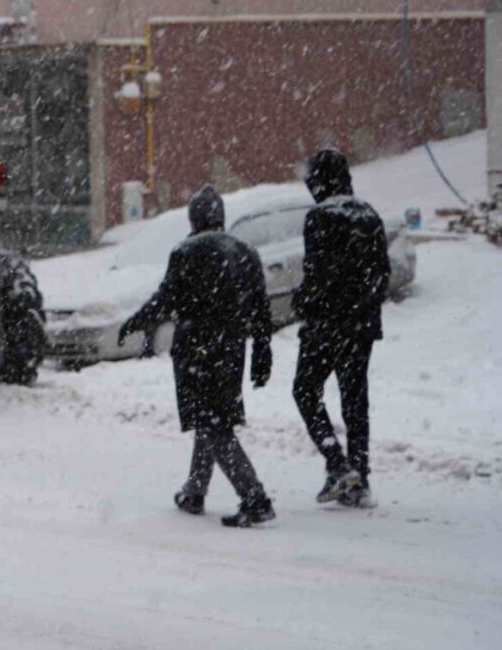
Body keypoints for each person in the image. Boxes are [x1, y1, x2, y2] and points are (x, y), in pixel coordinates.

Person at [119, 185, 275, 528]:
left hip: (195, 351)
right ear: (220, 217)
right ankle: (195, 490)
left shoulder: (186, 252)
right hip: (232, 349)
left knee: (212, 425)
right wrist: (263, 349)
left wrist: (136, 321)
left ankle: (254, 497)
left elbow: (166, 299)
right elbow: (261, 309)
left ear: (193, 218)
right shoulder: (245, 251)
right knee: (214, 420)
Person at [292, 148, 391, 508]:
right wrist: (365, 304)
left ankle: (336, 463)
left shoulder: (320, 217)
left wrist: (303, 302)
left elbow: (318, 274)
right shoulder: (369, 215)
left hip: (326, 325)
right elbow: (382, 273)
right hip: (361, 326)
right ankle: (359, 478)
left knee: (305, 391)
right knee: (355, 400)